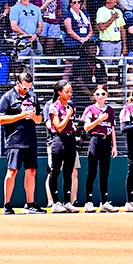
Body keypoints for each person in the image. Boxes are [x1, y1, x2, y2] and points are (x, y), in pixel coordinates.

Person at [0, 73, 44, 214]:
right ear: (17, 84)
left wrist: (33, 117)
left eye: (29, 88)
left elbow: (39, 119)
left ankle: (30, 203)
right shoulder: (7, 97)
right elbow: (1, 119)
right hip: (14, 141)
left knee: (31, 171)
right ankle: (7, 204)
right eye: (24, 88)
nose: (27, 90)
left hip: (30, 139)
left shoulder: (33, 96)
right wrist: (21, 116)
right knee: (12, 171)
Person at [43, 82, 79, 213]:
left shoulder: (71, 106)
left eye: (70, 92)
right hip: (58, 140)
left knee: (68, 171)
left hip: (70, 139)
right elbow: (58, 127)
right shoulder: (54, 106)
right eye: (66, 92)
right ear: (59, 92)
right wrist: (68, 115)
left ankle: (68, 201)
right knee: (55, 171)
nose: (69, 94)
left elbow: (71, 124)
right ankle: (56, 202)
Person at [80, 86, 115, 211]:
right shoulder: (90, 109)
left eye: (103, 93)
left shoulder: (110, 110)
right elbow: (87, 128)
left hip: (106, 142)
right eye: (98, 93)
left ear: (107, 95)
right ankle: (89, 202)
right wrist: (99, 119)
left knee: (104, 173)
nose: (100, 96)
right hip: (95, 140)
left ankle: (104, 202)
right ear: (94, 95)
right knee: (92, 172)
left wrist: (114, 146)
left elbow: (112, 128)